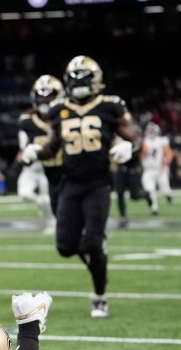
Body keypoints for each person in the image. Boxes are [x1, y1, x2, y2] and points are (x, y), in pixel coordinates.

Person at [23, 55, 141, 318]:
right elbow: (54, 145)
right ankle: (96, 251)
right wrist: (37, 151)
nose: (78, 84)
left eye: (83, 78)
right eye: (74, 79)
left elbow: (135, 134)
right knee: (65, 246)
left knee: (93, 243)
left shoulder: (110, 105)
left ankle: (100, 297)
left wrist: (129, 146)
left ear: (96, 80)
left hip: (98, 184)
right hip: (70, 183)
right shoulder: (59, 109)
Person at [17, 75, 63, 233]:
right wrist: (26, 154)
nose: (44, 100)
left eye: (49, 95)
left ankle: (54, 222)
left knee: (55, 201)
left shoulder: (65, 117)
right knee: (24, 194)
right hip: (35, 167)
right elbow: (23, 150)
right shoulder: (27, 122)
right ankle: (44, 207)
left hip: (54, 168)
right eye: (41, 95)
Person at [140, 123, 174, 215]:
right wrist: (142, 164)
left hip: (160, 169)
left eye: (152, 130)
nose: (150, 132)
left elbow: (169, 153)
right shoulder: (145, 141)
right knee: (149, 189)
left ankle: (168, 195)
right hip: (149, 170)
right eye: (149, 130)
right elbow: (142, 155)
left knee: (164, 189)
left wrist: (166, 162)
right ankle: (154, 208)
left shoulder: (162, 141)